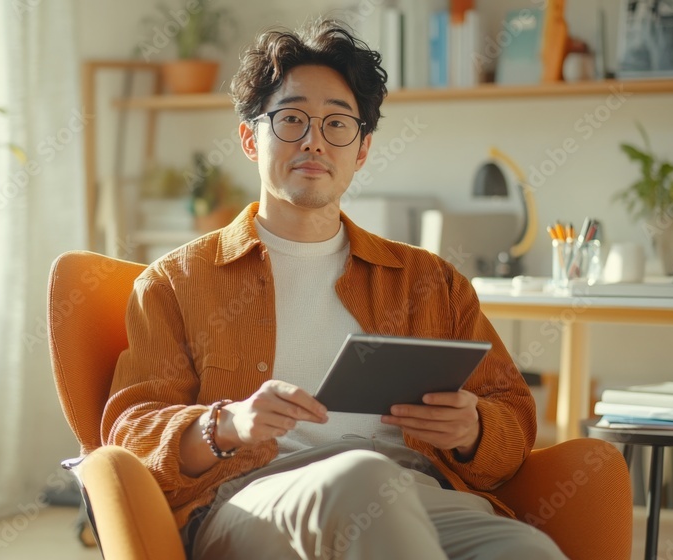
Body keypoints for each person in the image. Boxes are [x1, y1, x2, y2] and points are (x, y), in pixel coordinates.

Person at [103, 18, 566, 560]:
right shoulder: (175, 282)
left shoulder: (429, 282)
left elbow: (511, 416)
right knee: (361, 477)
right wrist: (226, 425)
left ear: (362, 149)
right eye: (292, 119)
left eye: (338, 125)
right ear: (252, 138)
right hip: (251, 500)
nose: (314, 142)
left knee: (526, 549)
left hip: (419, 492)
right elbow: (129, 432)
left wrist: (471, 428)